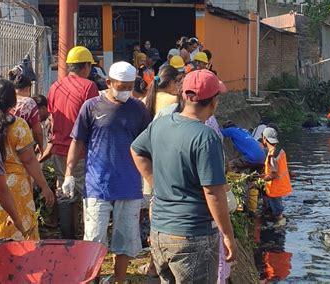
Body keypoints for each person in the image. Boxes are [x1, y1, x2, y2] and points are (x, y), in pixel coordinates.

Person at [131, 69, 237, 283]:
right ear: (214, 101)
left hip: (160, 233)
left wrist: (155, 183)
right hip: (192, 236)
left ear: (184, 96)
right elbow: (213, 192)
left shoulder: (161, 124)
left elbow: (136, 150)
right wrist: (227, 235)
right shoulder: (206, 137)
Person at [63, 61, 151, 283]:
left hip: (129, 185)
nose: (125, 92)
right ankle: (92, 278)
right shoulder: (91, 107)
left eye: (129, 87)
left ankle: (118, 279)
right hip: (97, 184)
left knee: (125, 240)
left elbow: (148, 145)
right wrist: (69, 172)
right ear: (109, 82)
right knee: (94, 239)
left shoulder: (138, 109)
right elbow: (77, 141)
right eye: (121, 86)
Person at [45, 46, 99, 239]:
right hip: (81, 150)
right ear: (85, 67)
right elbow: (95, 118)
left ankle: (68, 238)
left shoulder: (55, 87)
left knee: (64, 194)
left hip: (59, 149)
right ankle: (88, 239)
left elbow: (52, 117)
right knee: (88, 195)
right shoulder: (88, 87)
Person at [0, 78, 54, 240]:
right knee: (21, 238)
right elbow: (29, 161)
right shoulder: (19, 126)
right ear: (12, 101)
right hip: (16, 188)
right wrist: (45, 187)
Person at [7, 69, 44, 153]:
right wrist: (41, 146)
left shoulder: (6, 98)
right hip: (19, 142)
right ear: (28, 88)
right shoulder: (28, 102)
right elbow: (37, 130)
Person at [261, 127, 293, 226]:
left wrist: (261, 180)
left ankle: (280, 226)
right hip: (280, 185)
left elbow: (274, 174)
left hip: (275, 187)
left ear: (265, 139)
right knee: (276, 207)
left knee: (278, 212)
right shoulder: (280, 151)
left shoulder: (272, 155)